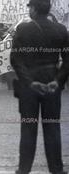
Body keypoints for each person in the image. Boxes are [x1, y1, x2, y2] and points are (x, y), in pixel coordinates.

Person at [10, 0, 69, 173]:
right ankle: (56, 169)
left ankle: (24, 169)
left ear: (34, 9)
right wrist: (57, 81)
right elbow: (67, 61)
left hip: (29, 86)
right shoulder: (61, 30)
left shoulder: (23, 29)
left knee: (28, 127)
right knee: (52, 127)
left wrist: (29, 82)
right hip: (52, 82)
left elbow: (15, 59)